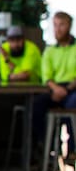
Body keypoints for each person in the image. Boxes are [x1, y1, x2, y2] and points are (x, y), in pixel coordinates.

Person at [32, 11, 76, 152]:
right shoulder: (50, 51)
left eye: (62, 25)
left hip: (72, 88)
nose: (58, 29)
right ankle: (48, 146)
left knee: (72, 106)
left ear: (69, 26)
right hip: (54, 89)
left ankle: (71, 151)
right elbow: (46, 76)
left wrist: (67, 90)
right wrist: (56, 89)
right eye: (55, 25)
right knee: (35, 106)